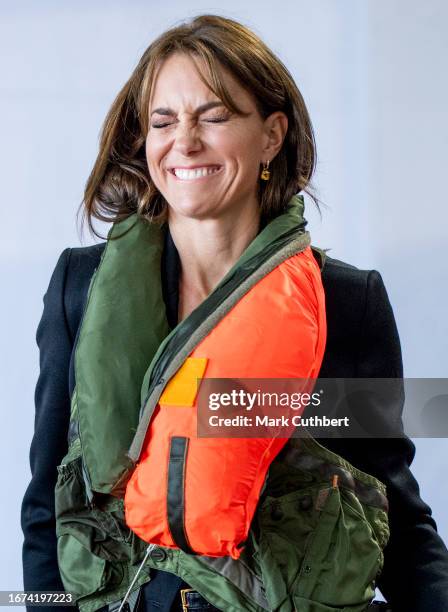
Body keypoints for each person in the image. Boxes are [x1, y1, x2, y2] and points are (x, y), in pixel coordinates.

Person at [21, 14, 448, 612]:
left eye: (215, 117)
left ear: (272, 135)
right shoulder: (80, 287)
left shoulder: (346, 303)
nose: (185, 142)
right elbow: (46, 503)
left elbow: (393, 508)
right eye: (163, 121)